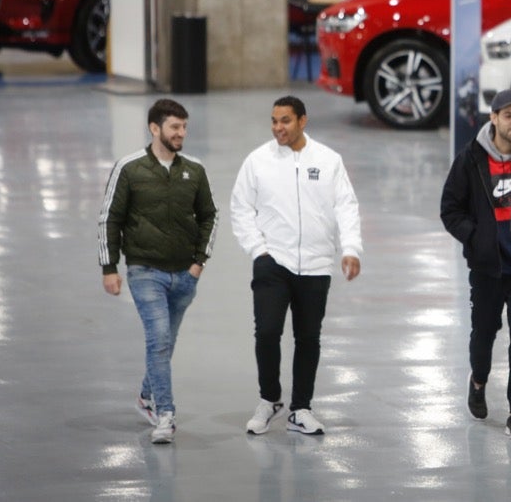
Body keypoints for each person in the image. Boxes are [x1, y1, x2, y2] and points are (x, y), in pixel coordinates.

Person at [231, 95, 363, 437]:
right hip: (273, 261)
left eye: (285, 121)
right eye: (274, 121)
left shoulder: (329, 160)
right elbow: (240, 208)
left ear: (303, 121)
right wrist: (258, 250)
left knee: (308, 338)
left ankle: (300, 408)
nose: (278, 128)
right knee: (268, 331)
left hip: (317, 265)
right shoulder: (258, 161)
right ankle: (269, 399)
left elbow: (345, 206)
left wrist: (350, 249)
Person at [98, 98, 219, 445]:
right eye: (175, 127)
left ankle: (144, 397)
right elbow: (110, 218)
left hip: (185, 274)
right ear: (155, 129)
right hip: (144, 271)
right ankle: (165, 414)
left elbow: (210, 215)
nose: (182, 133)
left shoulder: (194, 170)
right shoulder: (130, 168)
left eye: (184, 127)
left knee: (166, 342)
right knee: (160, 339)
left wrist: (198, 263)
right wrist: (110, 267)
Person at [440, 89, 511, 439]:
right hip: (487, 268)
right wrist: (476, 238)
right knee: (484, 333)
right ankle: (478, 379)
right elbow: (450, 209)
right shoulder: (471, 158)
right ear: (494, 118)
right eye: (509, 116)